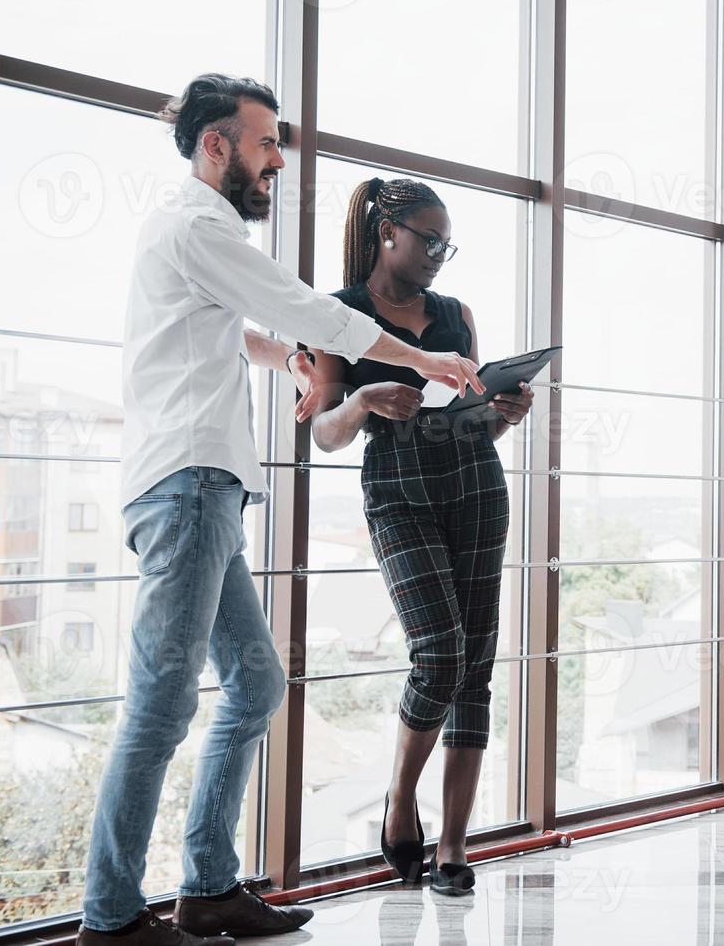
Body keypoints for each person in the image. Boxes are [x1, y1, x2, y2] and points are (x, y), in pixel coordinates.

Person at [78, 75, 484, 946]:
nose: (276, 162)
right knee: (160, 704)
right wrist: (423, 358)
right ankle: (109, 918)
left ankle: (210, 887)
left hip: (206, 488)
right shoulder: (197, 222)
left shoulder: (194, 236)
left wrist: (283, 359)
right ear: (215, 145)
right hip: (186, 487)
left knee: (256, 683)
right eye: (264, 145)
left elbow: (238, 327)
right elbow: (297, 306)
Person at [305, 177, 533, 897]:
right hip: (395, 484)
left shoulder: (455, 314)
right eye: (428, 240)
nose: (439, 253)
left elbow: (478, 420)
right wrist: (365, 399)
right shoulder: (339, 314)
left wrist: (506, 411)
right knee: (439, 652)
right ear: (386, 233)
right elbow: (324, 432)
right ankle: (401, 804)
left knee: (475, 667)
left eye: (446, 243)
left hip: (474, 476)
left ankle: (456, 847)